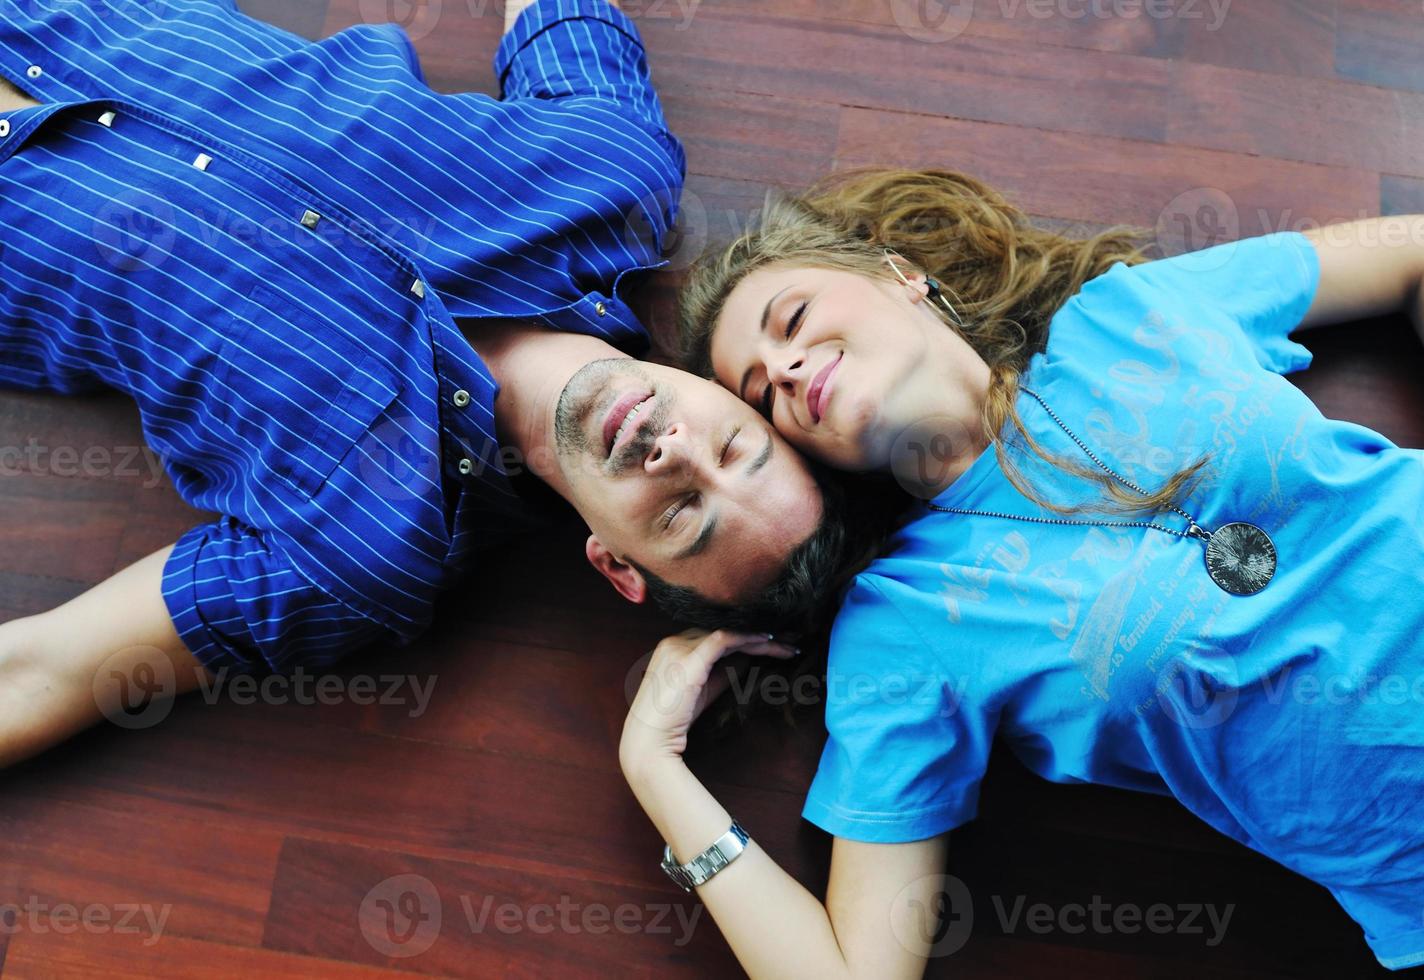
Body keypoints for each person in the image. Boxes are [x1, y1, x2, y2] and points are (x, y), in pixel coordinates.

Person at [619, 167, 1424, 974]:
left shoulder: (1127, 314)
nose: (788, 369)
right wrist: (656, 767)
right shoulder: (903, 624)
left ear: (898, 275)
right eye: (763, 393)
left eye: (792, 319)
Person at [0, 0, 832, 768]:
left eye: (686, 514)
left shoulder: (362, 556)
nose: (674, 450)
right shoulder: (611, 173)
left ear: (617, 566)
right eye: (733, 444)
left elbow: (41, 674)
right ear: (735, 393)